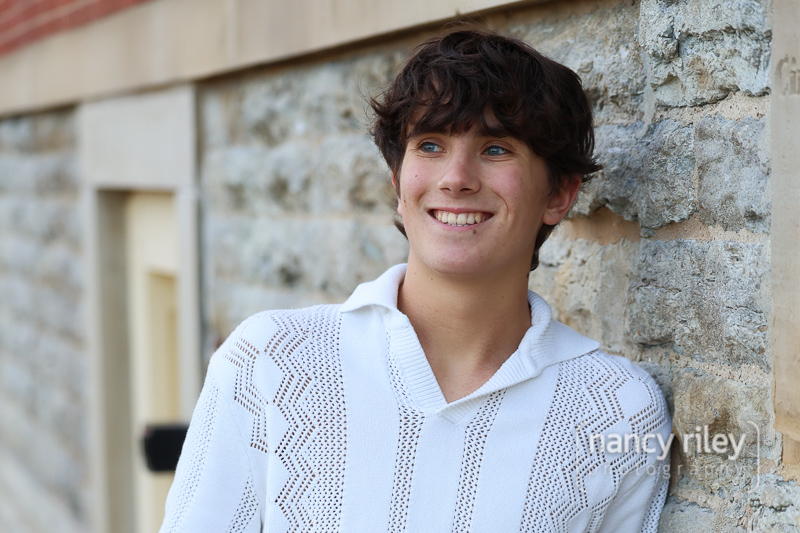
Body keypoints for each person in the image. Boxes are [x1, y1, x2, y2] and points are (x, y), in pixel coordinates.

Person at [160, 28, 671, 533]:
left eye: (496, 149)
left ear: (558, 195)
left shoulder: (619, 408)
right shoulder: (270, 363)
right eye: (430, 145)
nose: (456, 177)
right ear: (398, 183)